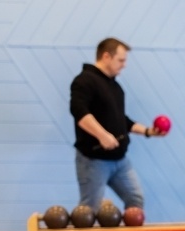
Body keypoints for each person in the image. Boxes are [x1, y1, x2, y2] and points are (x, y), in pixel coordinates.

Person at [69, 37, 166, 214]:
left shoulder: (115, 87)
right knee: (88, 210)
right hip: (94, 160)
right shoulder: (84, 80)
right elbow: (78, 112)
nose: (124, 65)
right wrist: (102, 135)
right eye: (121, 60)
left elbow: (121, 120)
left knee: (135, 199)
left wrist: (148, 131)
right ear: (106, 56)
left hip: (120, 161)